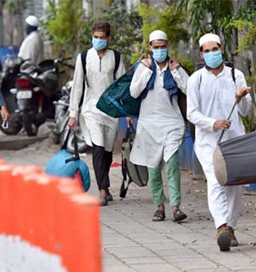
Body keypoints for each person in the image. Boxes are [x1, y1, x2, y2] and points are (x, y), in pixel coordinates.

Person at [187, 33, 252, 252]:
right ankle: (221, 225)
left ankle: (231, 228)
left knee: (234, 185)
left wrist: (240, 98)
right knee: (216, 181)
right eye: (207, 50)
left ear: (222, 50)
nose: (212, 54)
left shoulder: (236, 75)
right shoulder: (196, 79)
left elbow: (245, 111)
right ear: (201, 54)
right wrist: (213, 123)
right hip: (208, 142)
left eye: (215, 49)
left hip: (234, 140)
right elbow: (192, 113)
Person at [129, 30, 189, 222]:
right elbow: (133, 92)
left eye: (163, 47)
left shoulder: (176, 67)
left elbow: (189, 89)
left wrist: (175, 72)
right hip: (148, 125)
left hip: (172, 123)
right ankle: (159, 206)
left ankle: (176, 207)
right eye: (156, 47)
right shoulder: (144, 67)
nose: (160, 51)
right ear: (150, 48)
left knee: (171, 165)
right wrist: (146, 69)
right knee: (153, 168)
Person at [68, 22, 125, 206]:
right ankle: (102, 190)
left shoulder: (116, 57)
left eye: (102, 38)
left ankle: (105, 187)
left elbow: (123, 86)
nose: (98, 41)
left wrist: (128, 111)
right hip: (90, 109)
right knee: (98, 147)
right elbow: (77, 86)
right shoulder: (84, 57)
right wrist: (73, 113)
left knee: (107, 152)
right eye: (96, 37)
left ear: (109, 38)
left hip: (111, 111)